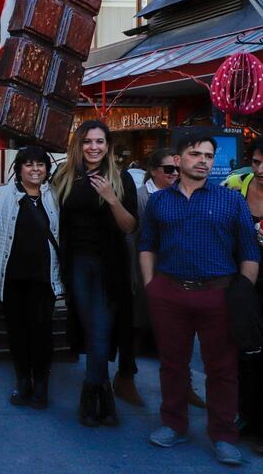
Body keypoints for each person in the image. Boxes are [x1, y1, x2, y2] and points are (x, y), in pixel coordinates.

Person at [141, 135, 260, 466]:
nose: (203, 160)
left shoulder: (230, 200)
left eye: (208, 155)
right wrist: (151, 286)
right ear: (178, 160)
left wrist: (242, 293)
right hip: (169, 292)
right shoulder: (160, 201)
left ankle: (223, 435)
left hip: (218, 294)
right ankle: (173, 424)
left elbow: (249, 251)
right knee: (172, 364)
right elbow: (147, 243)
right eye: (195, 153)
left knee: (222, 370)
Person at [52, 120, 137, 428]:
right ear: (79, 145)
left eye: (100, 142)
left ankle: (92, 393)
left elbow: (129, 226)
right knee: (89, 328)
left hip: (109, 266)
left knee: (100, 329)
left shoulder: (120, 178)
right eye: (88, 141)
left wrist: (112, 199)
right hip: (76, 263)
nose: (94, 147)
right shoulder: (65, 176)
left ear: (108, 146)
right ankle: (102, 392)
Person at [115, 148, 186, 409]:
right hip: (145, 273)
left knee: (178, 332)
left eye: (177, 169)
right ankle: (125, 379)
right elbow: (134, 236)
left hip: (174, 272)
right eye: (169, 169)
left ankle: (184, 384)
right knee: (136, 327)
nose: (175, 174)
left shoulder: (181, 194)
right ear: (154, 170)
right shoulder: (143, 196)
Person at [0, 146, 62, 410]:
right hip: (12, 278)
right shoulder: (1, 196)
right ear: (19, 168)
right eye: (29, 164)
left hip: (44, 279)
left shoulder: (55, 197)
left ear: (47, 169)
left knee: (42, 332)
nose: (35, 169)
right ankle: (23, 380)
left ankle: (41, 384)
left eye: (40, 164)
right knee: (17, 332)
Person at [223, 137, 263, 452]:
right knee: (245, 354)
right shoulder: (235, 184)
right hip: (243, 283)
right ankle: (247, 417)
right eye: (258, 162)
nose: (261, 170)